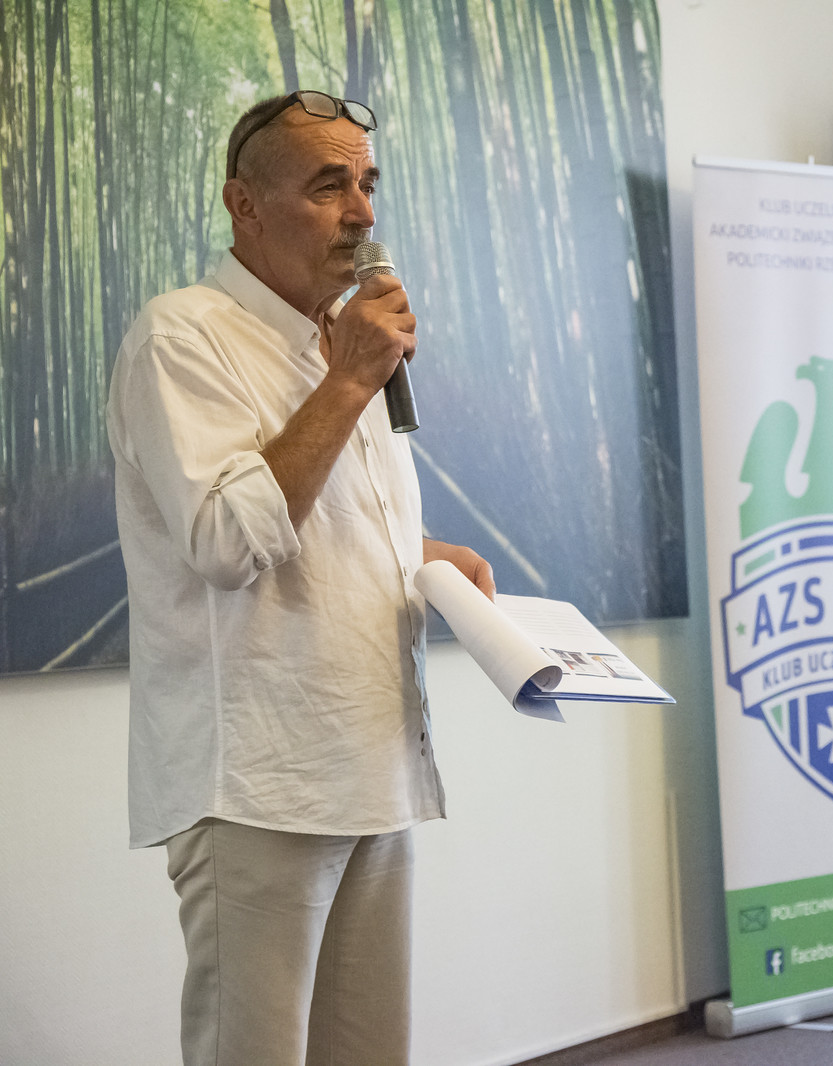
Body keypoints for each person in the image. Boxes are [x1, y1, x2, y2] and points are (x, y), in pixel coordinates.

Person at [106, 90, 493, 1066]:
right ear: (244, 204)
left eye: (368, 184)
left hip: (374, 768)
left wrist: (424, 558)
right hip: (258, 786)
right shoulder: (182, 338)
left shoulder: (341, 340)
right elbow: (225, 539)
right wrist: (351, 379)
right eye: (329, 187)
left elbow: (320, 523)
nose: (362, 213)